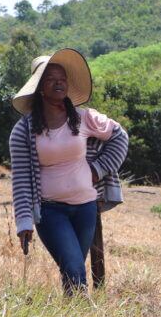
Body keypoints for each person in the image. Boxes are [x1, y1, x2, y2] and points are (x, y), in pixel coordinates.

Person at [9, 48, 129, 294]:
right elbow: (21, 178)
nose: (59, 82)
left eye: (62, 78)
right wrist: (23, 221)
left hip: (85, 208)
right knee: (74, 268)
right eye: (51, 78)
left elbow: (119, 137)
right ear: (40, 87)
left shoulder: (84, 118)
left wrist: (98, 169)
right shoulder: (23, 131)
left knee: (72, 272)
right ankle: (84, 315)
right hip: (51, 211)